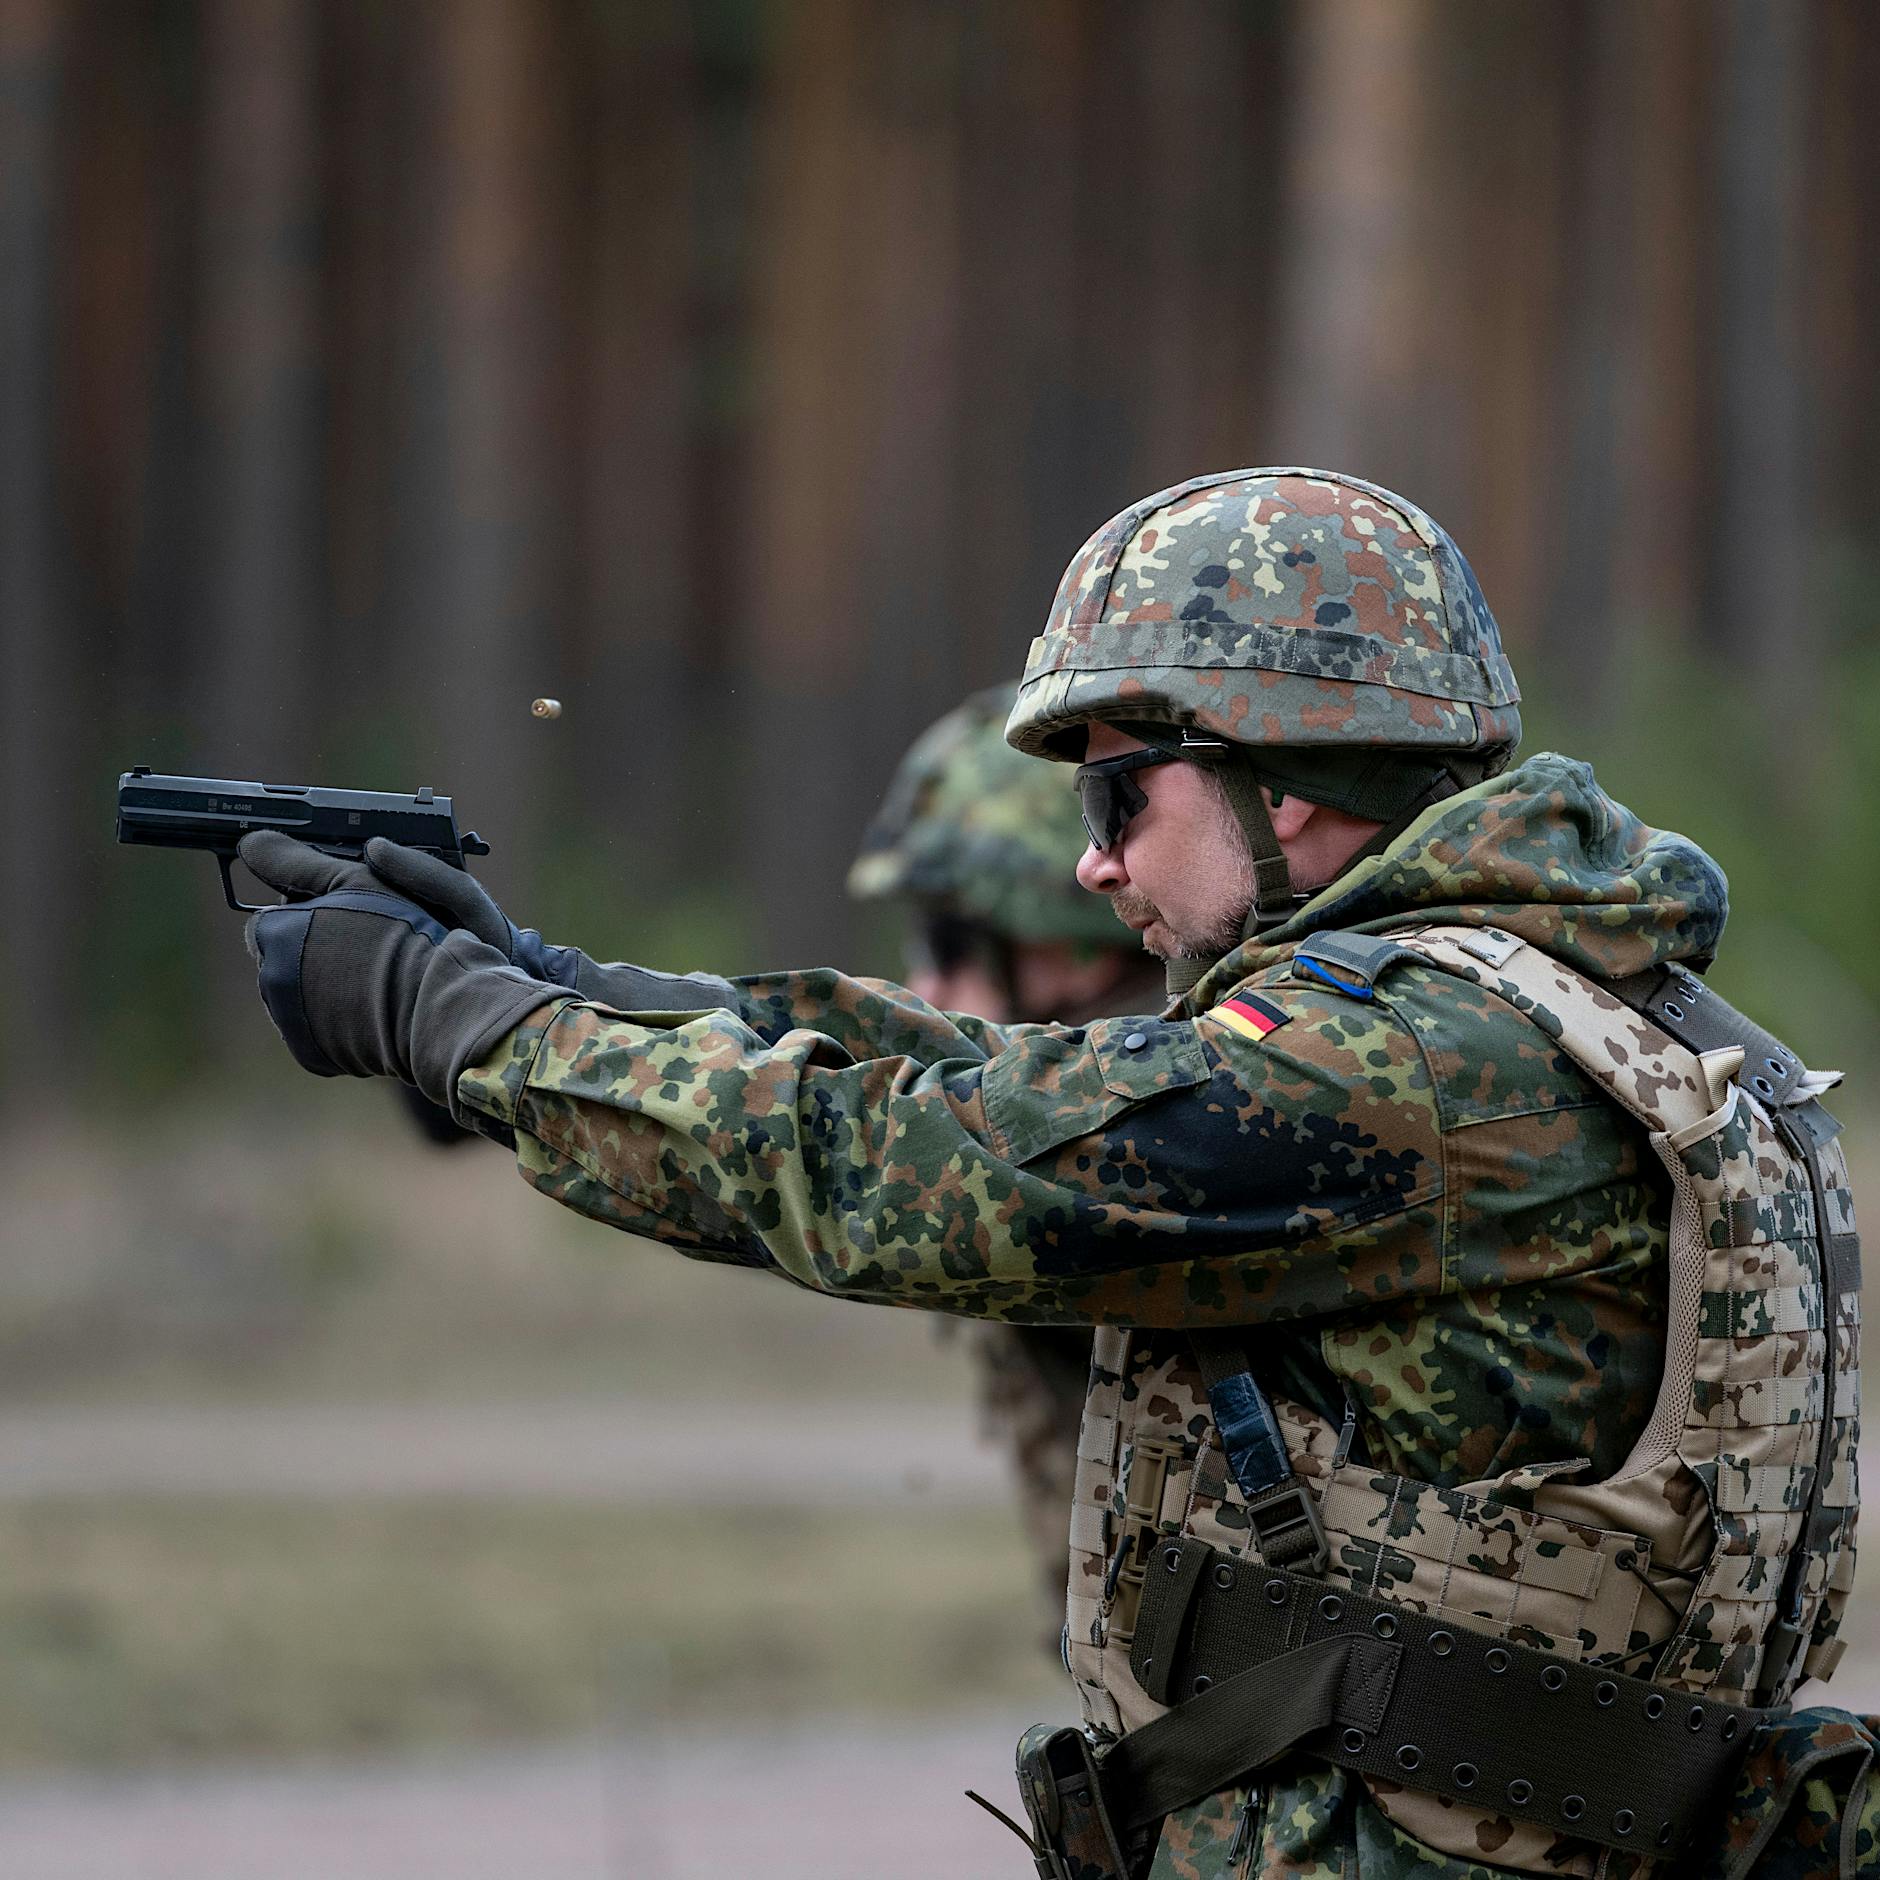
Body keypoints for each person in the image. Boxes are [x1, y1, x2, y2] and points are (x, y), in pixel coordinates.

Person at [231, 469, 1871, 1877]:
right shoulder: (1541, 1015)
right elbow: (991, 1081)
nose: (1091, 864)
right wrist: (567, 985)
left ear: (1283, 780)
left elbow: (912, 1171)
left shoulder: (1412, 1062)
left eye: (1117, 791)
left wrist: (452, 1023)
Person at [849, 682, 1165, 1640]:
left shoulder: (1136, 1121)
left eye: (948, 941)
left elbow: (845, 1167)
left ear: (1061, 951)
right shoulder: (1068, 1082)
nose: (925, 982)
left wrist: (520, 1047)